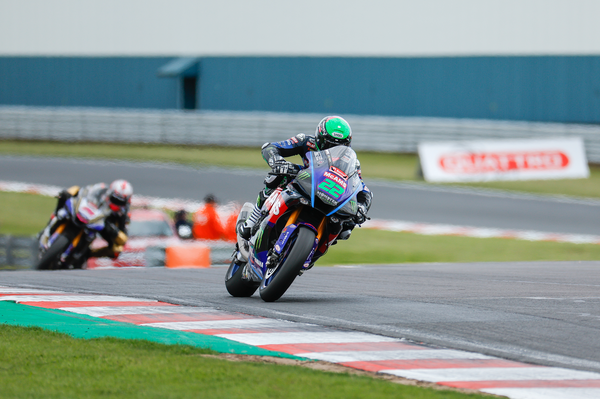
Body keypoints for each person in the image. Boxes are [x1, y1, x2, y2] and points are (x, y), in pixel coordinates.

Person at [238, 115, 373, 245]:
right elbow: (270, 147)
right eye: (329, 144)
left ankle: (314, 248)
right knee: (278, 176)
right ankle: (251, 221)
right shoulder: (306, 141)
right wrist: (278, 162)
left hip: (329, 193)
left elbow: (362, 189)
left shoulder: (351, 163)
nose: (332, 150)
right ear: (319, 138)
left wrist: (362, 207)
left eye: (340, 146)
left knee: (347, 225)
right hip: (305, 181)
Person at [42, 180, 133, 259]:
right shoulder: (100, 188)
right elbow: (84, 192)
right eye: (114, 199)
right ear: (110, 192)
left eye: (120, 202)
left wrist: (112, 230)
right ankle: (52, 221)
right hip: (86, 212)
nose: (116, 203)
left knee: (117, 250)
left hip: (102, 226)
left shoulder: (124, 213)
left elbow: (123, 238)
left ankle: (88, 255)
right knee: (70, 192)